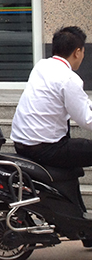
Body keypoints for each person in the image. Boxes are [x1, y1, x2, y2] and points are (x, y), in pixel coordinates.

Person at [11, 26, 92, 171]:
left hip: (21, 143)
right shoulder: (69, 78)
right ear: (77, 52)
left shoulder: (41, 66)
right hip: (45, 149)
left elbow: (82, 102)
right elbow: (86, 120)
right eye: (83, 52)